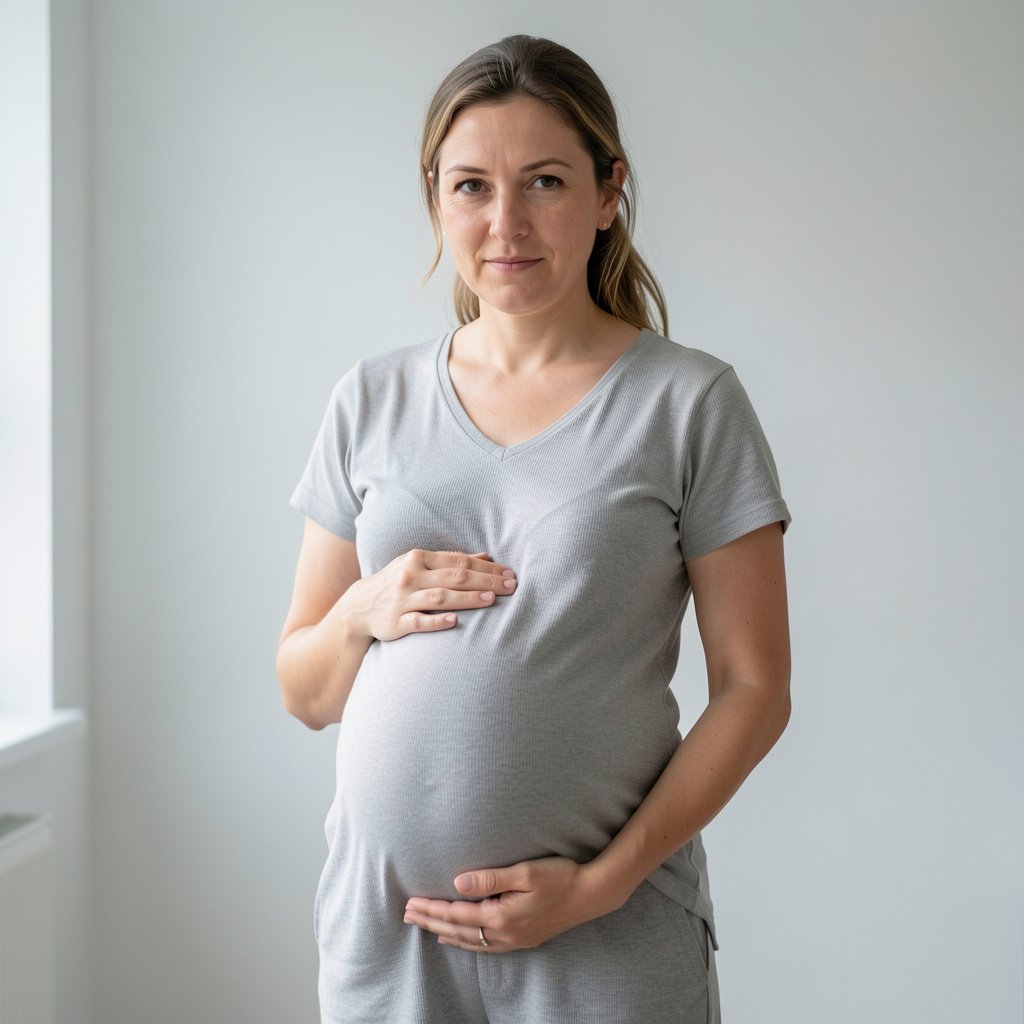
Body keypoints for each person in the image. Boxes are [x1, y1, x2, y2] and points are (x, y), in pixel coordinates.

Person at [277, 34, 791, 1024]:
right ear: (436, 197)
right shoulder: (370, 399)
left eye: (544, 182)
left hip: (606, 933)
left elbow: (756, 689)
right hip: (387, 939)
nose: (505, 222)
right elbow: (304, 690)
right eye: (471, 186)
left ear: (608, 194)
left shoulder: (688, 403)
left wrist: (599, 884)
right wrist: (362, 610)